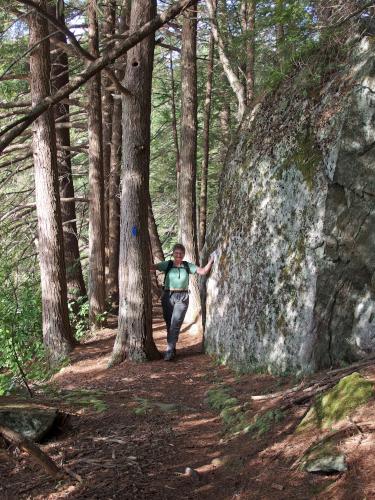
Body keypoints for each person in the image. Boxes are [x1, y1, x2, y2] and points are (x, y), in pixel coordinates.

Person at [151, 243, 215, 361]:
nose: (178, 255)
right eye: (176, 253)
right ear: (173, 253)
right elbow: (152, 267)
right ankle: (172, 347)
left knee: (175, 324)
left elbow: (203, 271)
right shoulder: (168, 264)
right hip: (168, 296)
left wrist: (211, 261)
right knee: (169, 323)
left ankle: (169, 351)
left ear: (184, 254)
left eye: (181, 253)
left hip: (183, 297)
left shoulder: (187, 266)